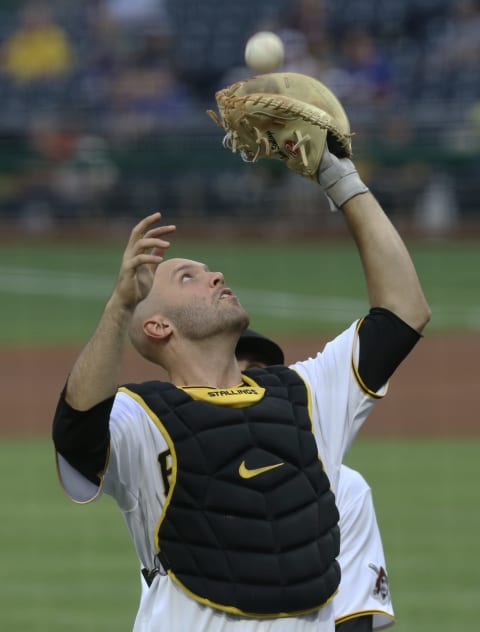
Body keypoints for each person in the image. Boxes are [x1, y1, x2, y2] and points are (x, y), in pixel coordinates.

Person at [52, 126, 431, 631]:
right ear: (157, 325)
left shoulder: (306, 393)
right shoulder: (141, 419)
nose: (216, 277)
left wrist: (339, 179)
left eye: (211, 270)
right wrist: (120, 306)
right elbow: (76, 432)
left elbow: (404, 313)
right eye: (188, 277)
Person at [236, 329, 395, 631]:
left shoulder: (343, 486)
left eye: (255, 373)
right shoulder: (163, 471)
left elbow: (354, 619)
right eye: (228, 370)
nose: (240, 384)